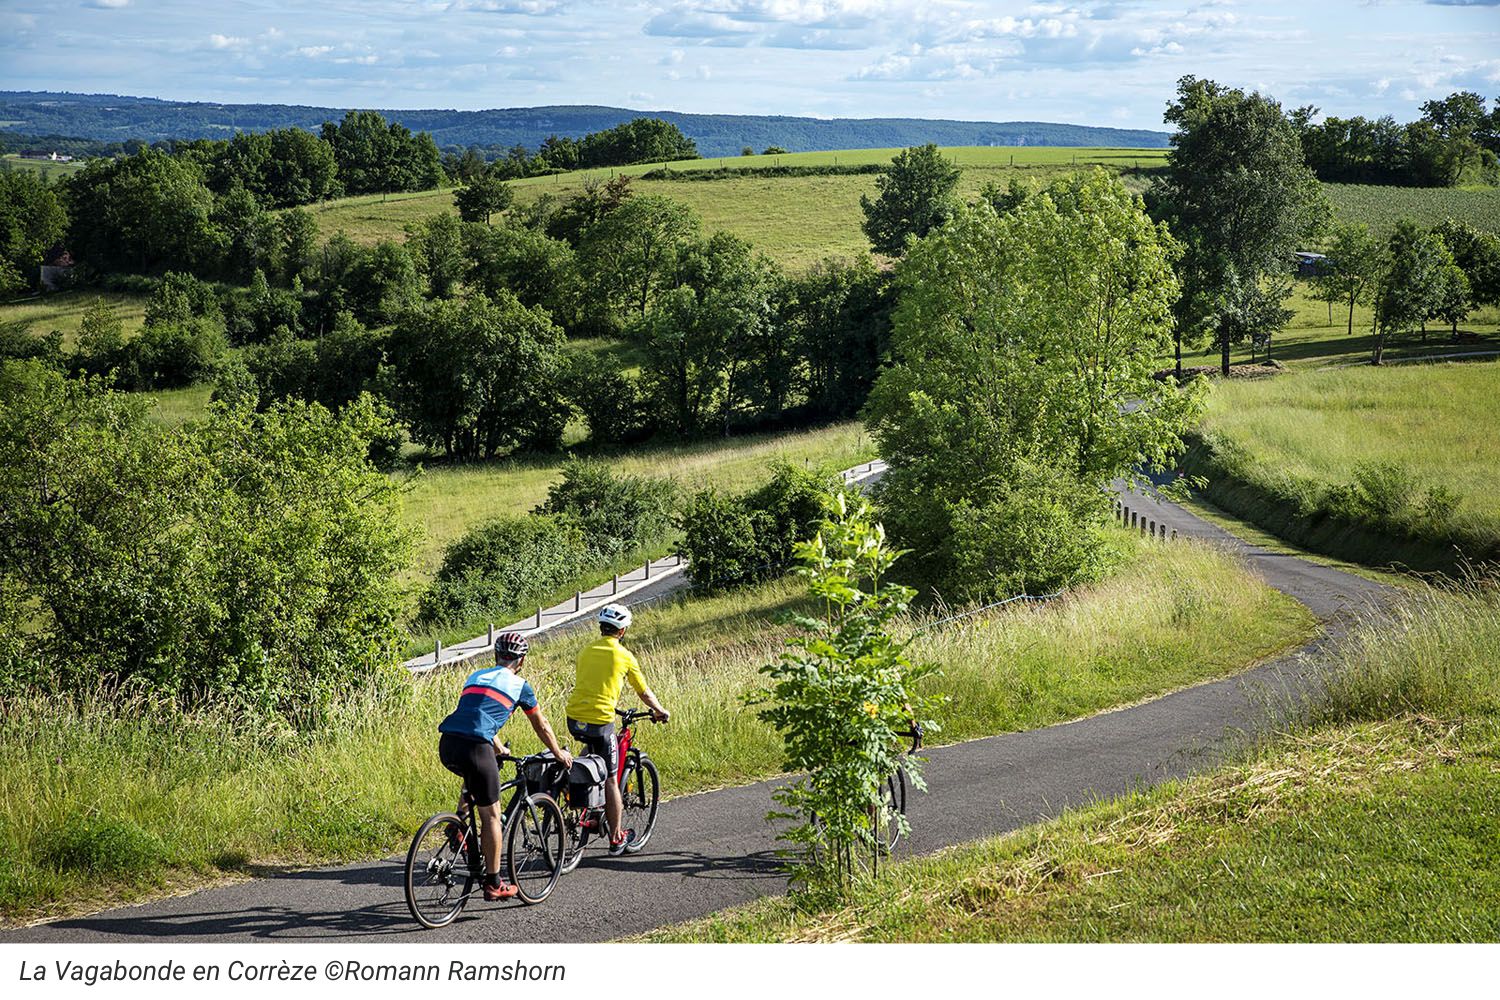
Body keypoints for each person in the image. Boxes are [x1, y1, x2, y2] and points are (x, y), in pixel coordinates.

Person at [437, 631, 573, 901]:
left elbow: (476, 714)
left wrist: (499, 748)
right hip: (476, 747)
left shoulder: (476, 676)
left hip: (448, 743)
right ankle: (494, 883)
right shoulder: (520, 686)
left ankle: (458, 822)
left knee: (473, 774)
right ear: (521, 661)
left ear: (496, 656)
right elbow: (541, 725)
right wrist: (558, 753)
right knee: (491, 815)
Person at [565, 603, 669, 856]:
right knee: (612, 778)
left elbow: (593, 684)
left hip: (574, 717)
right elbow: (643, 691)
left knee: (588, 757)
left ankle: (579, 799)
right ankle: (615, 838)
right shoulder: (624, 656)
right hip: (601, 721)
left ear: (602, 628)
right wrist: (659, 710)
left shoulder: (585, 651)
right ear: (622, 631)